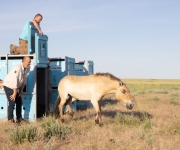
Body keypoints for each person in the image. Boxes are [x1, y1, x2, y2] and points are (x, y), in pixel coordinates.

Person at [3, 56, 31, 124]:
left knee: (19, 102)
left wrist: (21, 91)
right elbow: (14, 80)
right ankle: (10, 120)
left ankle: (19, 118)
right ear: (23, 62)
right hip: (9, 85)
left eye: (30, 62)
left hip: (17, 86)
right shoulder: (17, 68)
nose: (29, 64)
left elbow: (24, 81)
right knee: (12, 101)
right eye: (28, 62)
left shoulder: (28, 68)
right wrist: (15, 92)